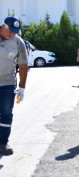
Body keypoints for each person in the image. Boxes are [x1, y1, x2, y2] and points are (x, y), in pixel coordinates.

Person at [0, 16, 28, 155]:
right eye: (10, 31)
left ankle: (3, 143)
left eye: (15, 32)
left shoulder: (18, 42)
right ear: (2, 26)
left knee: (6, 114)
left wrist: (22, 88)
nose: (12, 34)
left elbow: (23, 65)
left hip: (7, 83)